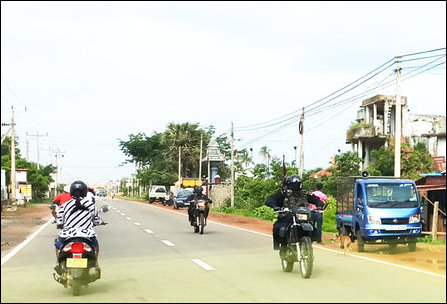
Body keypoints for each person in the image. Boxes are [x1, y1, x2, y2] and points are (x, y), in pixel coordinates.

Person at [54, 180, 107, 274]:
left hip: (67, 234)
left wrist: (60, 223)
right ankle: (96, 263)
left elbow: (60, 220)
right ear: (85, 192)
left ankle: (58, 263)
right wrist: (100, 222)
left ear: (71, 192)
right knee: (95, 246)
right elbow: (96, 219)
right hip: (87, 235)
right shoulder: (91, 205)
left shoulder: (65, 205)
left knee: (58, 245)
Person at [265, 174, 310, 250]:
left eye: (297, 184)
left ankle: (308, 242)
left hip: (300, 216)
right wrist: (275, 206)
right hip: (287, 216)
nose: (295, 186)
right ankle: (279, 244)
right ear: (289, 185)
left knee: (311, 225)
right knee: (278, 227)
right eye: (294, 184)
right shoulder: (283, 193)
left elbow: (314, 199)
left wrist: (319, 204)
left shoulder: (304, 194)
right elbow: (270, 200)